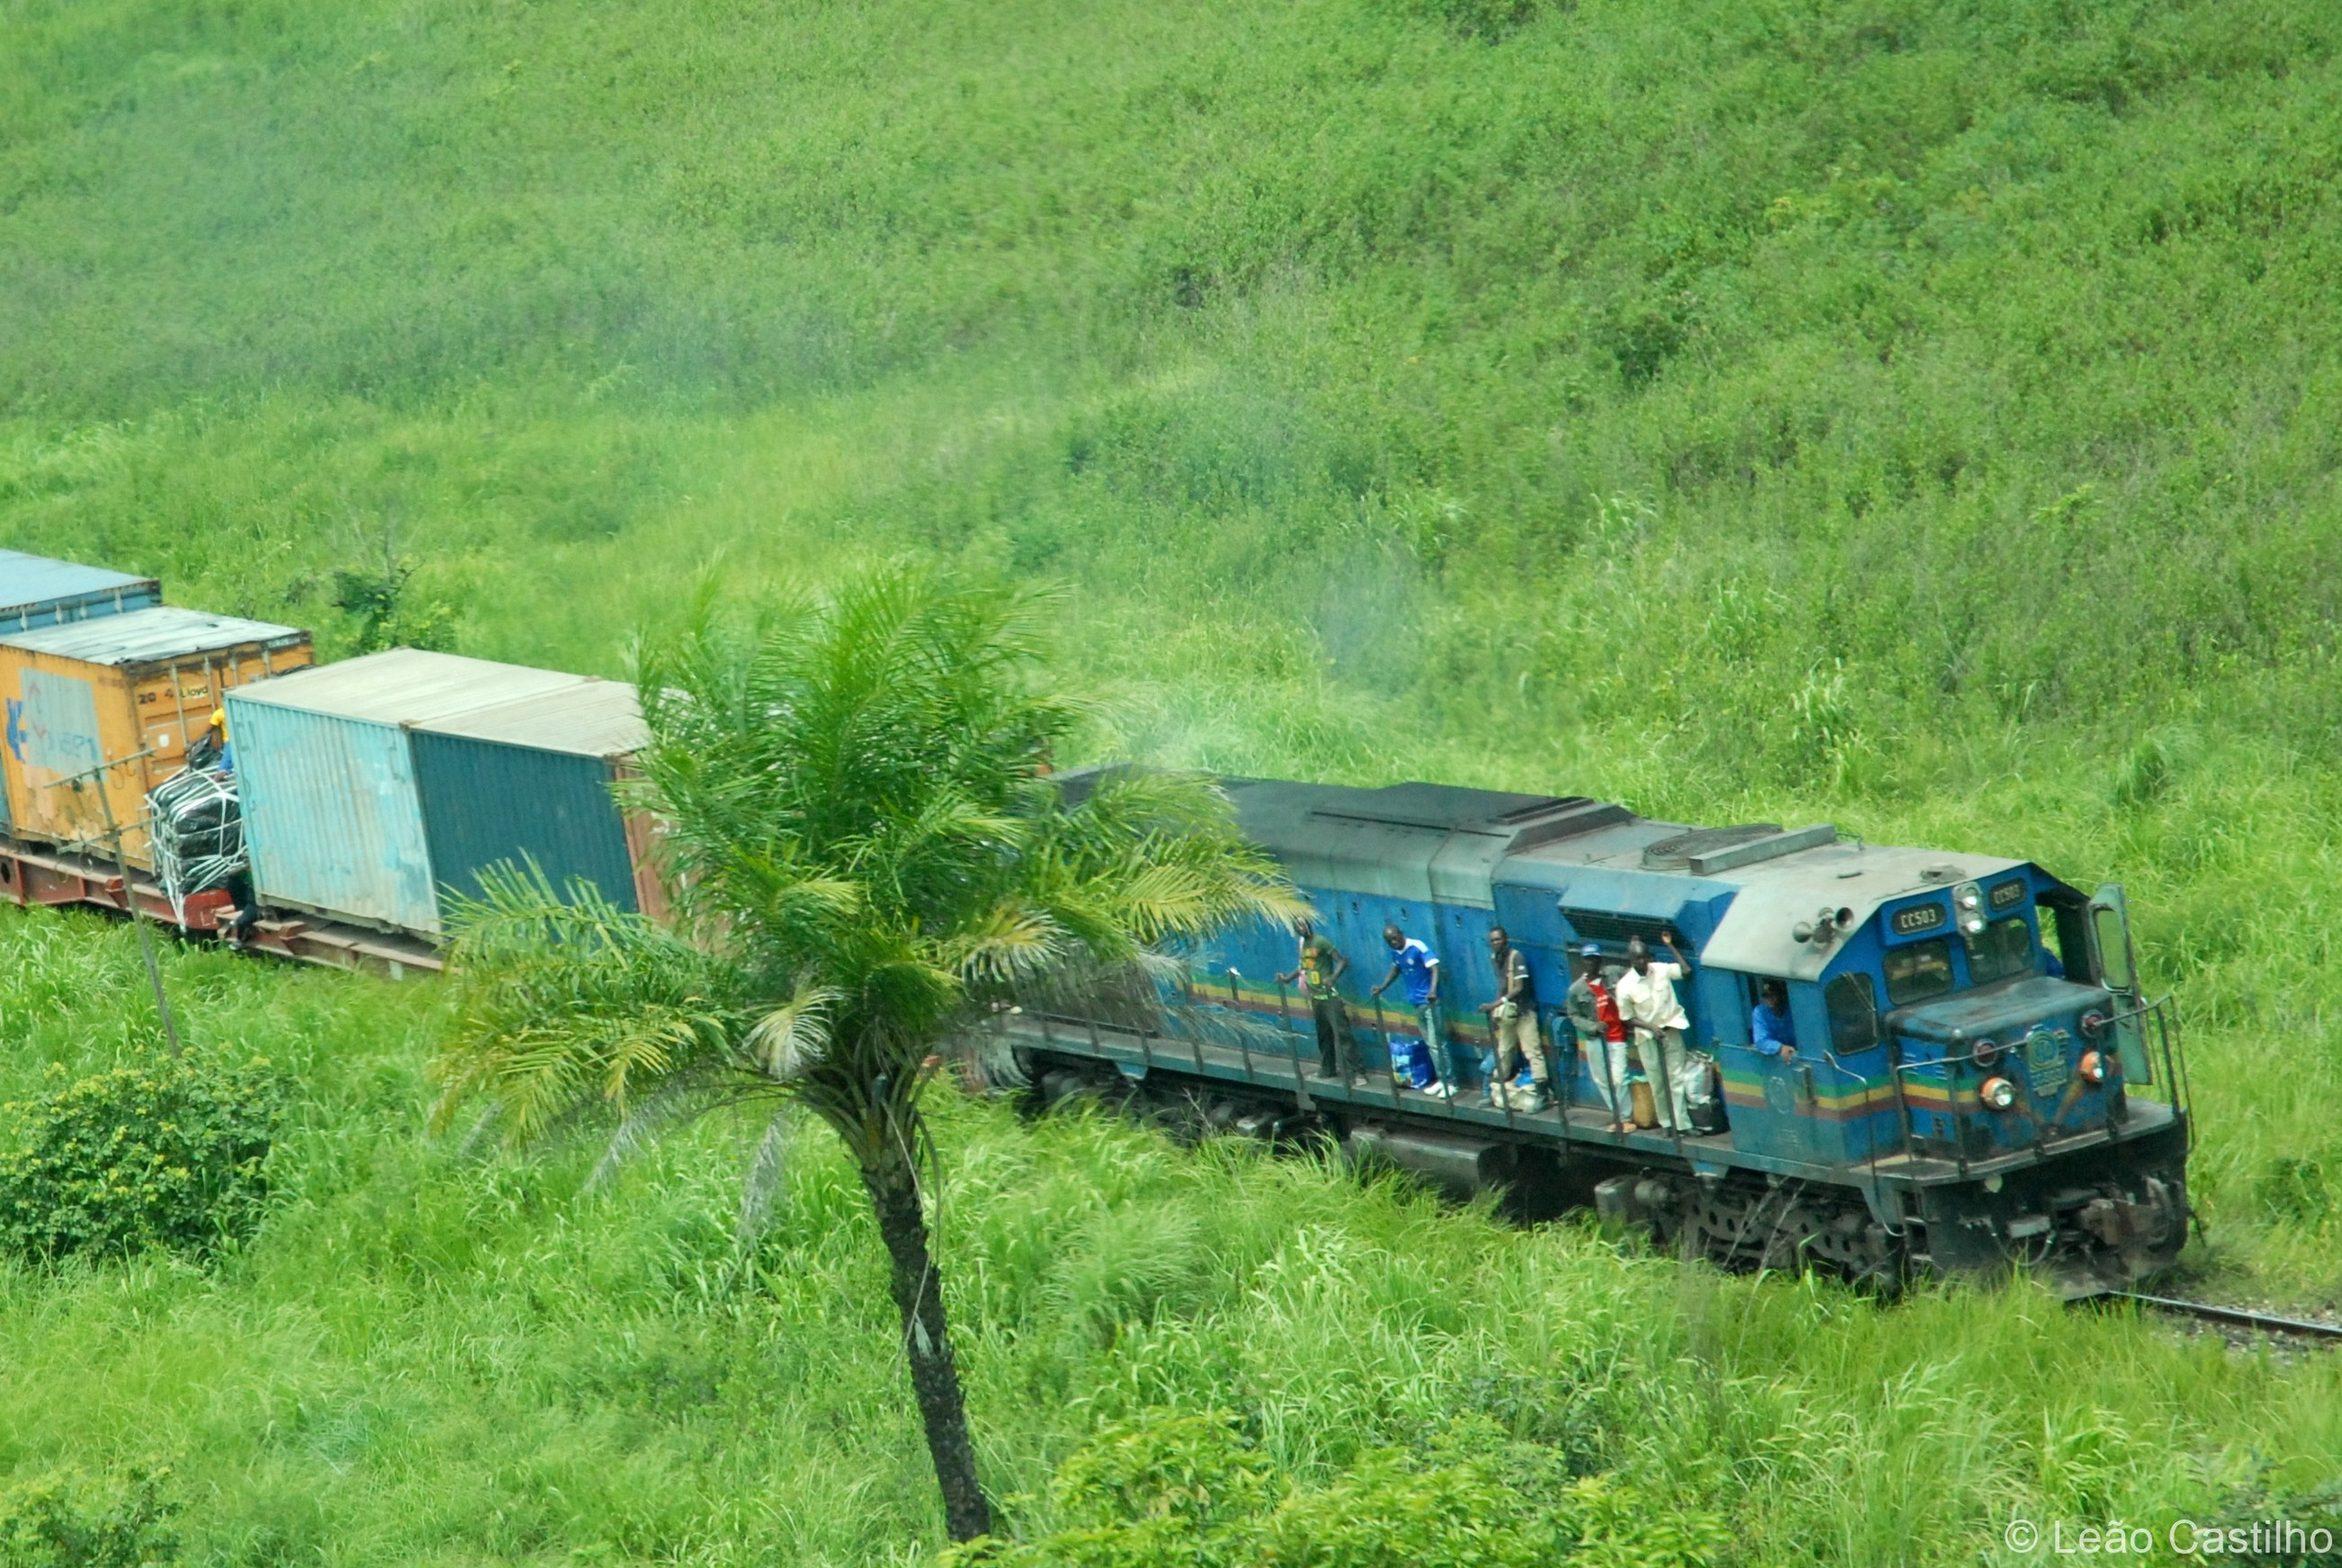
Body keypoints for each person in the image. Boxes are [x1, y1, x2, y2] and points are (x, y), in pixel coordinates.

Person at [1616, 929, 1693, 1132]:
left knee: (1677, 1078)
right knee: (1658, 1082)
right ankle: (1667, 1123)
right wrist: (1651, 1027)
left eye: (1645, 957)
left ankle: (1682, 1125)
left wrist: (1670, 945)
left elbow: (1685, 971)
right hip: (1648, 1038)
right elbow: (1627, 1018)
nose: (1643, 962)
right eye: (1638, 959)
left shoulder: (1660, 969)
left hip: (1671, 1031)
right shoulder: (1625, 986)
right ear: (1631, 960)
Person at [1370, 922, 1452, 1097]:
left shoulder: (1417, 946)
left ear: (1401, 934)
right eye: (1389, 940)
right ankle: (1440, 1080)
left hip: (1430, 1002)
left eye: (1395, 937)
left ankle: (1450, 1082)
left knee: (1437, 1043)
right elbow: (1395, 969)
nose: (1393, 942)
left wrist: (1432, 990)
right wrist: (1382, 987)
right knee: (1430, 1044)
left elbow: (1435, 968)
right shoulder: (1396, 953)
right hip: (1416, 1003)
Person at [1478, 926, 1549, 1109]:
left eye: (1498, 939)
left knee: (1532, 1051)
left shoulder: (1516, 957)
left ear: (1506, 939)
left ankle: (1542, 1096)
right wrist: (1496, 1010)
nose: (1495, 943)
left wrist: (1496, 1004)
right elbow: (1502, 985)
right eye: (1492, 940)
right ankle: (1496, 1092)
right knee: (1504, 1050)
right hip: (1508, 1013)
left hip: (1524, 1011)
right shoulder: (1495, 959)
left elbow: (1519, 987)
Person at [1277, 918, 1356, 1083]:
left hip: (1330, 997)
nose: (1301, 928)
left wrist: (1333, 978)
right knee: (1324, 1036)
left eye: (1303, 924)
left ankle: (1357, 1073)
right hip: (1316, 998)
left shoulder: (1321, 941)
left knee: (1343, 1035)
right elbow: (1303, 968)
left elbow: (1342, 961)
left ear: (1309, 925)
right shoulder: (1304, 945)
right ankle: (1328, 1069)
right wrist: (1286, 979)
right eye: (1297, 926)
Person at [1565, 943, 1631, 1130]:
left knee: (1619, 1078)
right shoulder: (1576, 989)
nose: (1591, 962)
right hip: (1595, 1038)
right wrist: (1593, 1026)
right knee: (1601, 1079)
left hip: (1617, 1036)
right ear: (1583, 961)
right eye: (1587, 959)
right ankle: (1617, 1114)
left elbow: (1635, 975)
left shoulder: (1613, 973)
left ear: (1600, 960)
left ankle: (1625, 1116)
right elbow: (1574, 1015)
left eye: (1594, 958)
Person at [1751, 980, 1798, 1062]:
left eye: (1773, 995)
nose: (1769, 999)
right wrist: (1780, 1047)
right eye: (1765, 995)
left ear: (1782, 995)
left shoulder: (1793, 1009)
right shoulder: (1760, 1012)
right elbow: (1761, 1041)